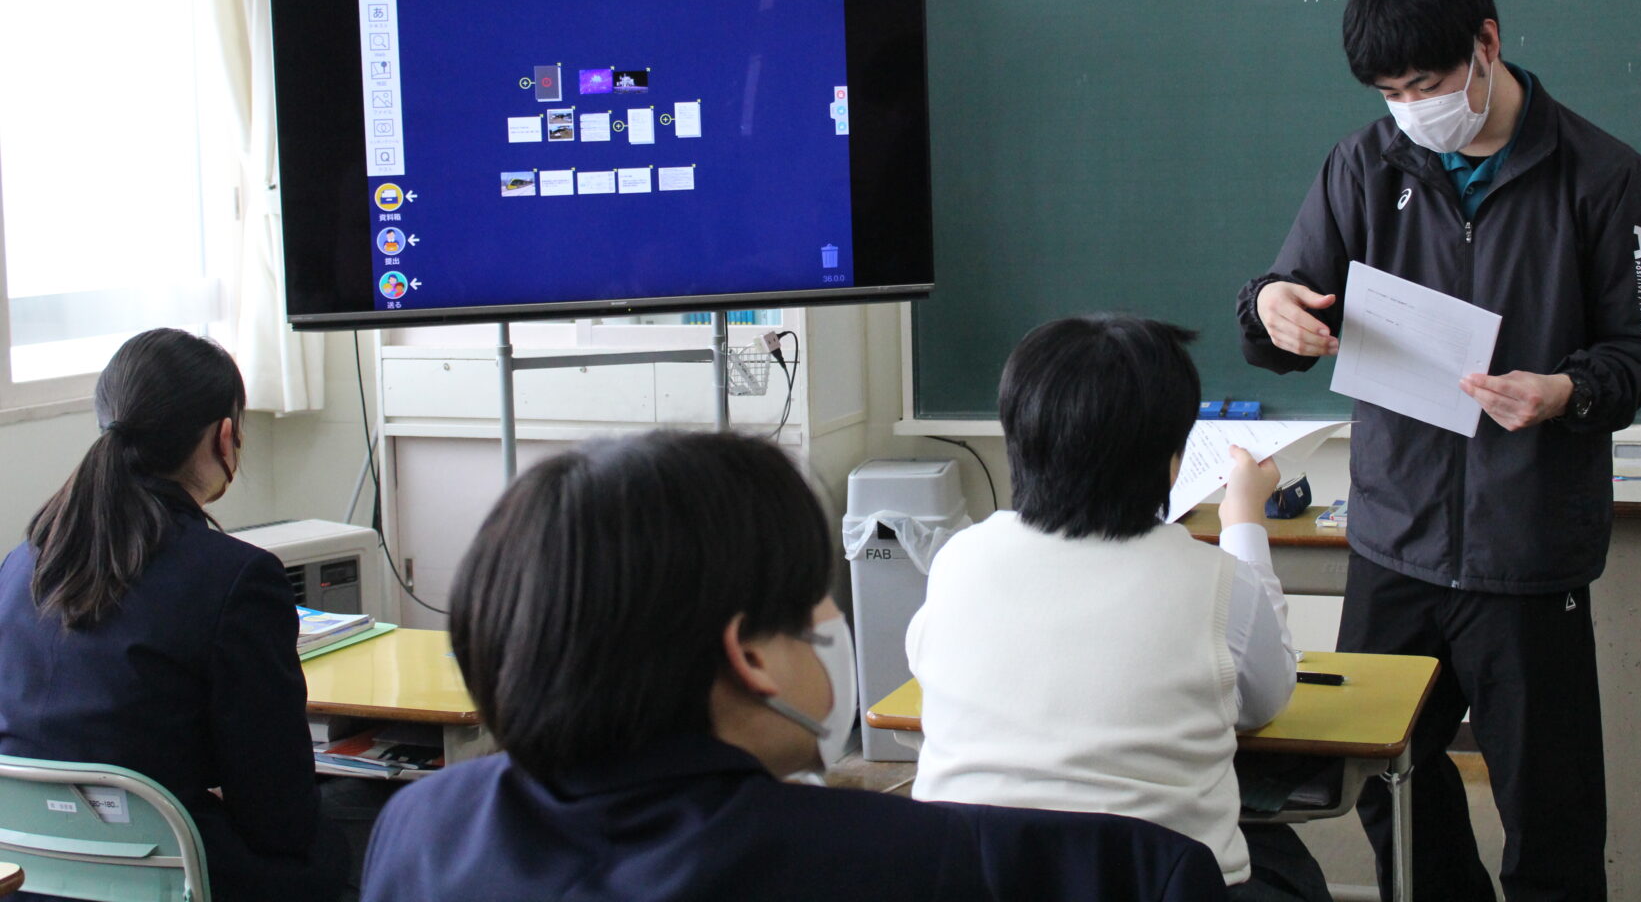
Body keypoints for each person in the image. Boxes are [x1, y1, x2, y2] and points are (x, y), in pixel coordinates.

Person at [1237, 0, 1641, 902]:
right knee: (1378, 785)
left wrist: (1564, 392)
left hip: (1529, 553)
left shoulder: (1606, 177)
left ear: (1487, 44)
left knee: (1552, 813)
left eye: (1429, 84)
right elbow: (1284, 307)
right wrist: (1274, 305)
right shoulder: (1364, 162)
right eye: (1391, 90)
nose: (1411, 107)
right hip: (1394, 541)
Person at [361, 430, 1229, 902]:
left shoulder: (421, 825)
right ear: (750, 656)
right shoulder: (927, 864)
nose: (835, 622)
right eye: (821, 599)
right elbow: (1158, 872)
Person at [906, 315, 1330, 902]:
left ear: (1019, 441)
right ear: (1174, 459)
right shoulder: (1215, 581)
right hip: (1163, 884)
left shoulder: (959, 560)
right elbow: (1264, 701)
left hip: (973, 881)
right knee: (1287, 862)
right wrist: (1244, 525)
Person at [0, 328, 350, 902]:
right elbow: (280, 819)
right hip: (178, 877)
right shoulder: (236, 577)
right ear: (225, 436)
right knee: (375, 823)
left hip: (33, 877)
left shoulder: (22, 562)